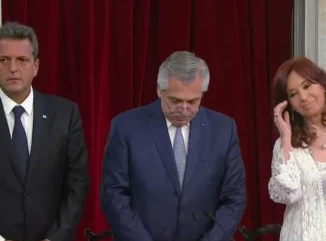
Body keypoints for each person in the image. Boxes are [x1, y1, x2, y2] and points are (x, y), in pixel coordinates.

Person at [101, 51, 246, 241]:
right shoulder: (126, 127)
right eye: (175, 100)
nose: (184, 109)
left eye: (193, 101)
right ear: (160, 90)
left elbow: (234, 198)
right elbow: (113, 194)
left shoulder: (223, 130)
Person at [0, 22, 90, 241]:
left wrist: (55, 238)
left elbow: (77, 183)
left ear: (36, 66)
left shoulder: (65, 114)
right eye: (3, 60)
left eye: (22, 60)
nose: (13, 68)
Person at [268, 57, 326, 241]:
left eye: (307, 86)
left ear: (322, 85)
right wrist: (286, 137)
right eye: (293, 94)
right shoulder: (286, 144)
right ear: (288, 104)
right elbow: (288, 193)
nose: (303, 96)